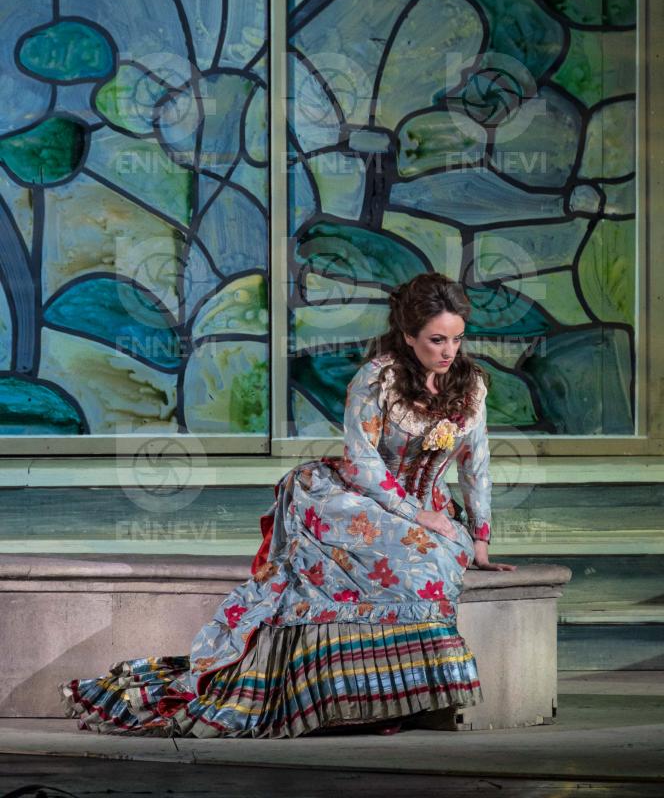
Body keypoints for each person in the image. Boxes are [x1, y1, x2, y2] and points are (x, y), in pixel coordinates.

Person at [59, 272, 516, 738]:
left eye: (456, 339)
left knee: (438, 558)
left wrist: (480, 540)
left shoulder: (471, 386)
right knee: (412, 562)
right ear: (408, 336)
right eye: (437, 340)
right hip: (362, 499)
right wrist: (417, 514)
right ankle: (359, 703)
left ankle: (401, 700)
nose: (449, 351)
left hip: (432, 509)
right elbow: (363, 464)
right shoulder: (377, 380)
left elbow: (476, 465)